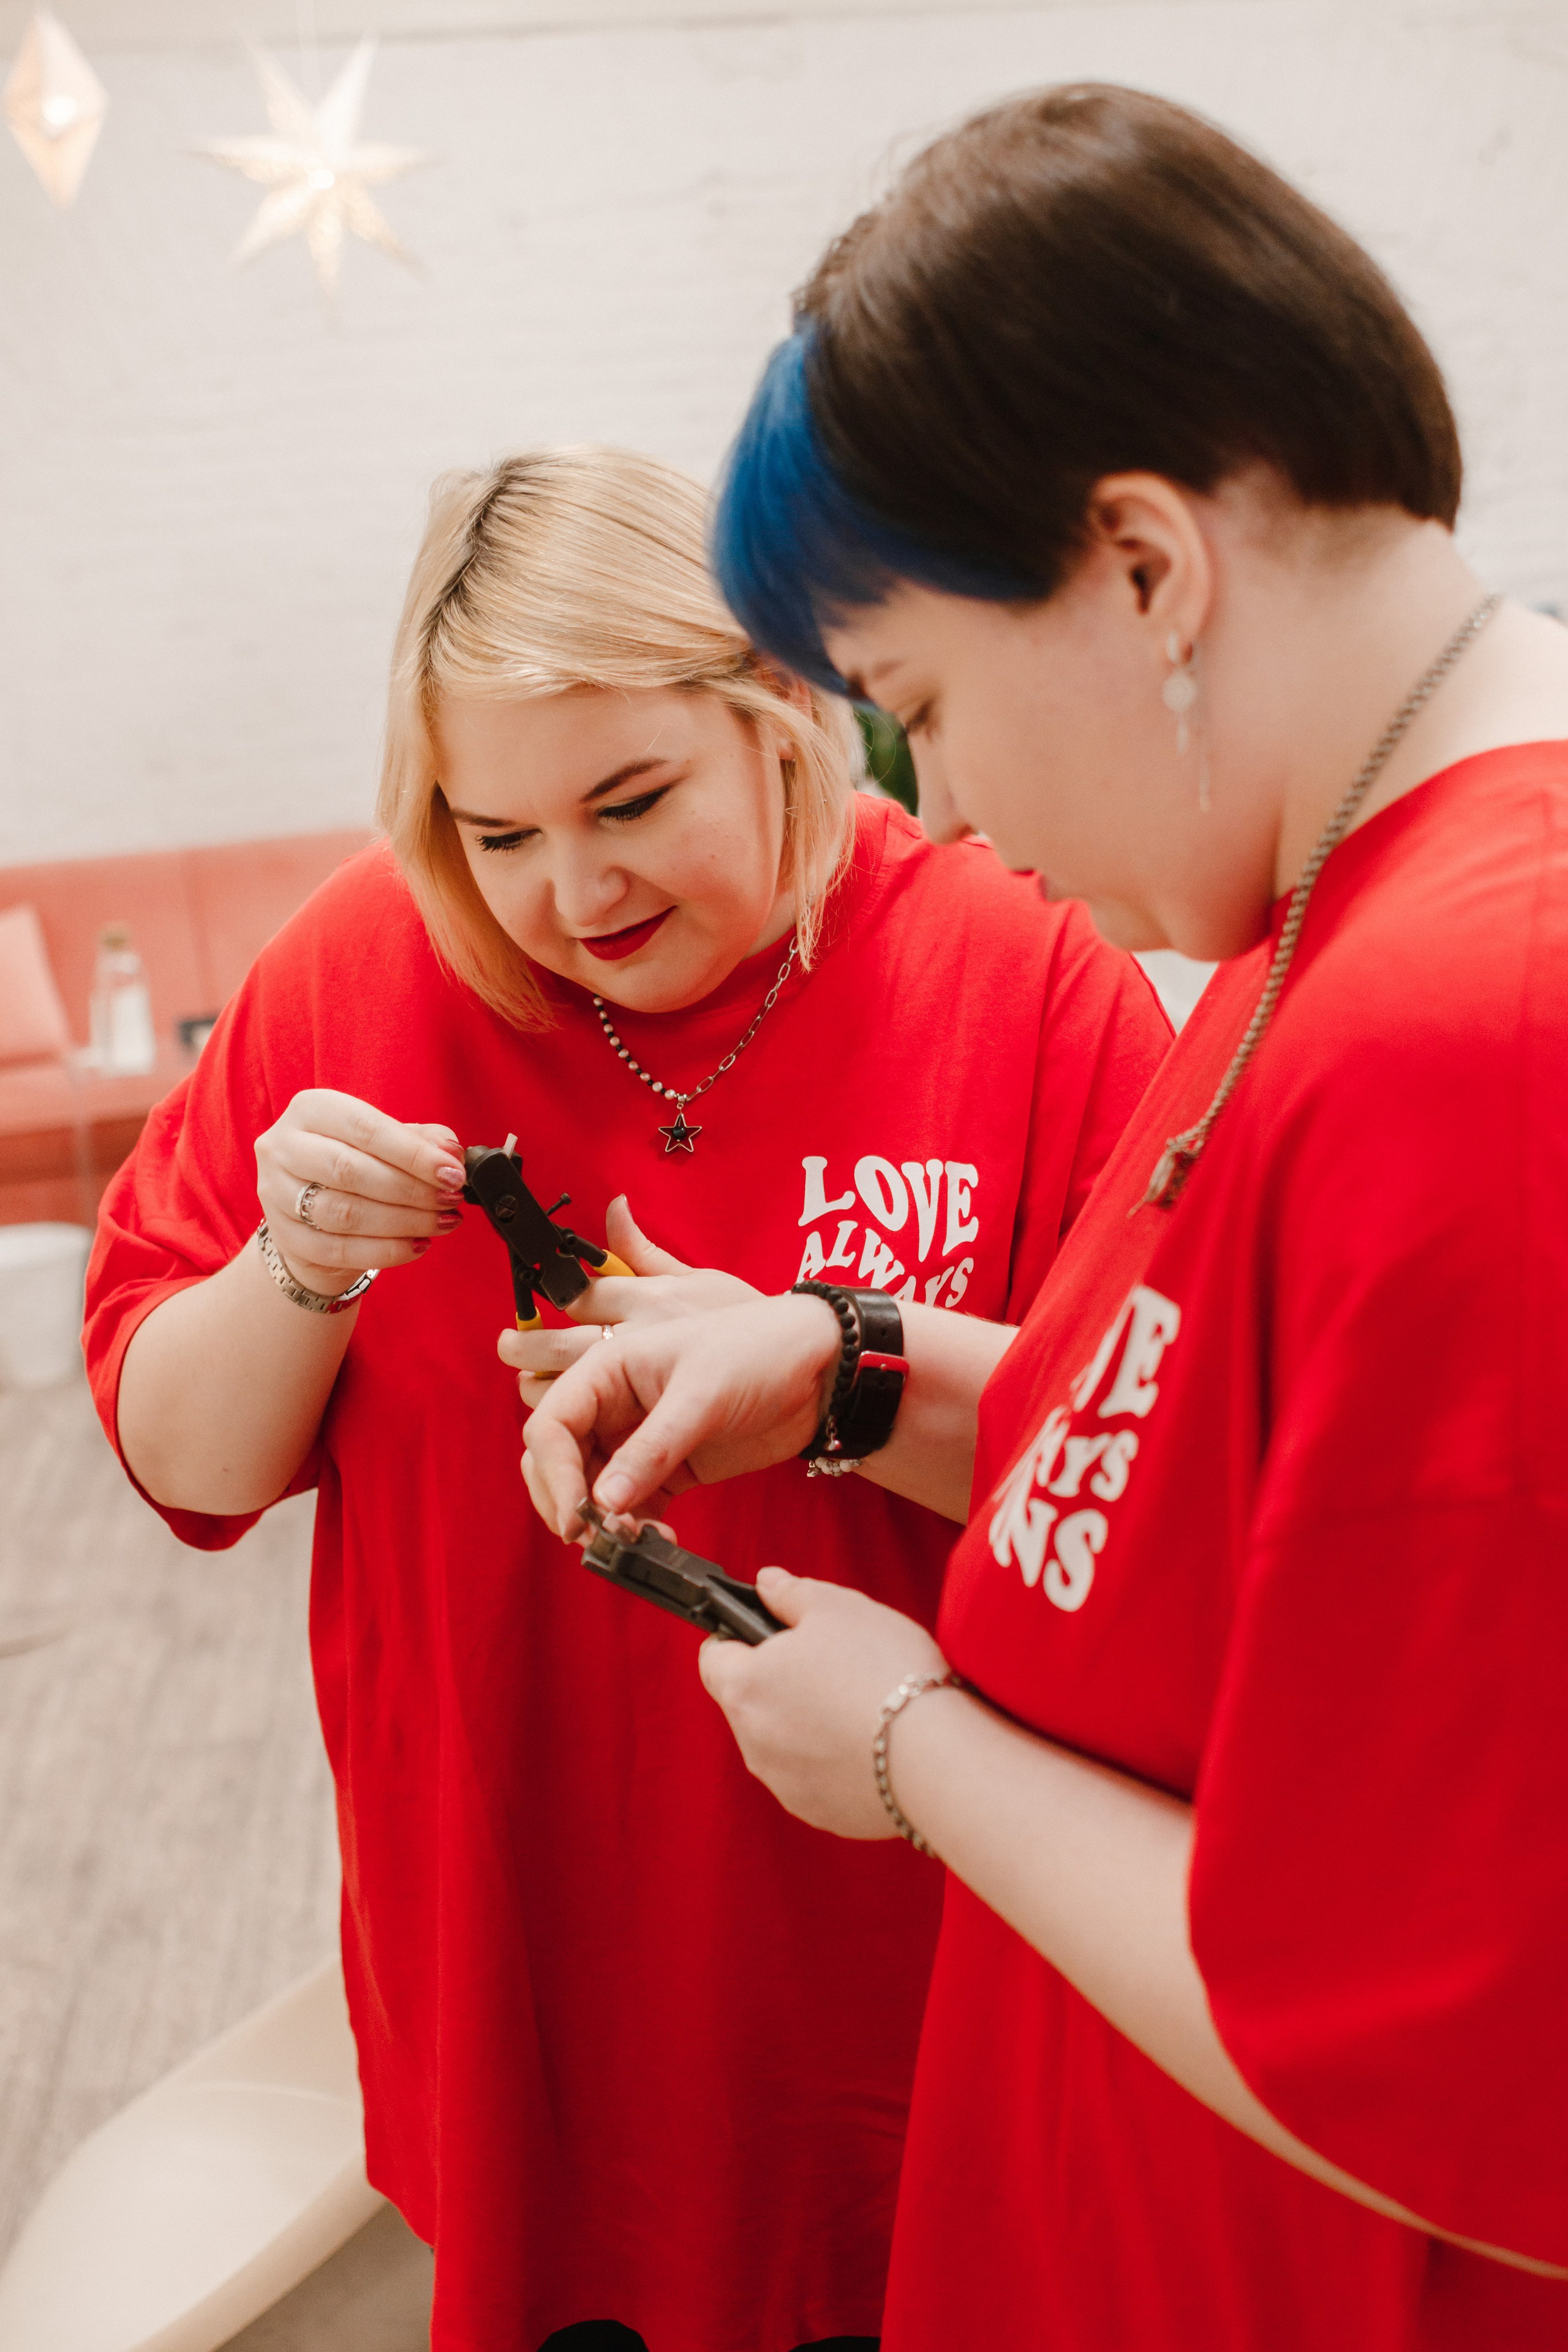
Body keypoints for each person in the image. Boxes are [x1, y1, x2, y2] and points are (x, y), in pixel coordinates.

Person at [521, 88, 1568, 2352]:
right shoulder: (1348, 914)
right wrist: (850, 1365)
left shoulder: (1472, 1022)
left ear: (1140, 569)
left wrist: (915, 1754)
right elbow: (1265, 1502)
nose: (949, 807)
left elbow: (1449, 2042)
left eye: (917, 707)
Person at [82, 446, 1169, 2352]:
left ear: (779, 716)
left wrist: (831, 1357)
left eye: (631, 799)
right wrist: (299, 1266)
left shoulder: (1024, 981)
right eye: (493, 832)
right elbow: (185, 1460)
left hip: (919, 1995)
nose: (568, 893)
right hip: (523, 1996)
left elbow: (1160, 1495)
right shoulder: (362, 967)